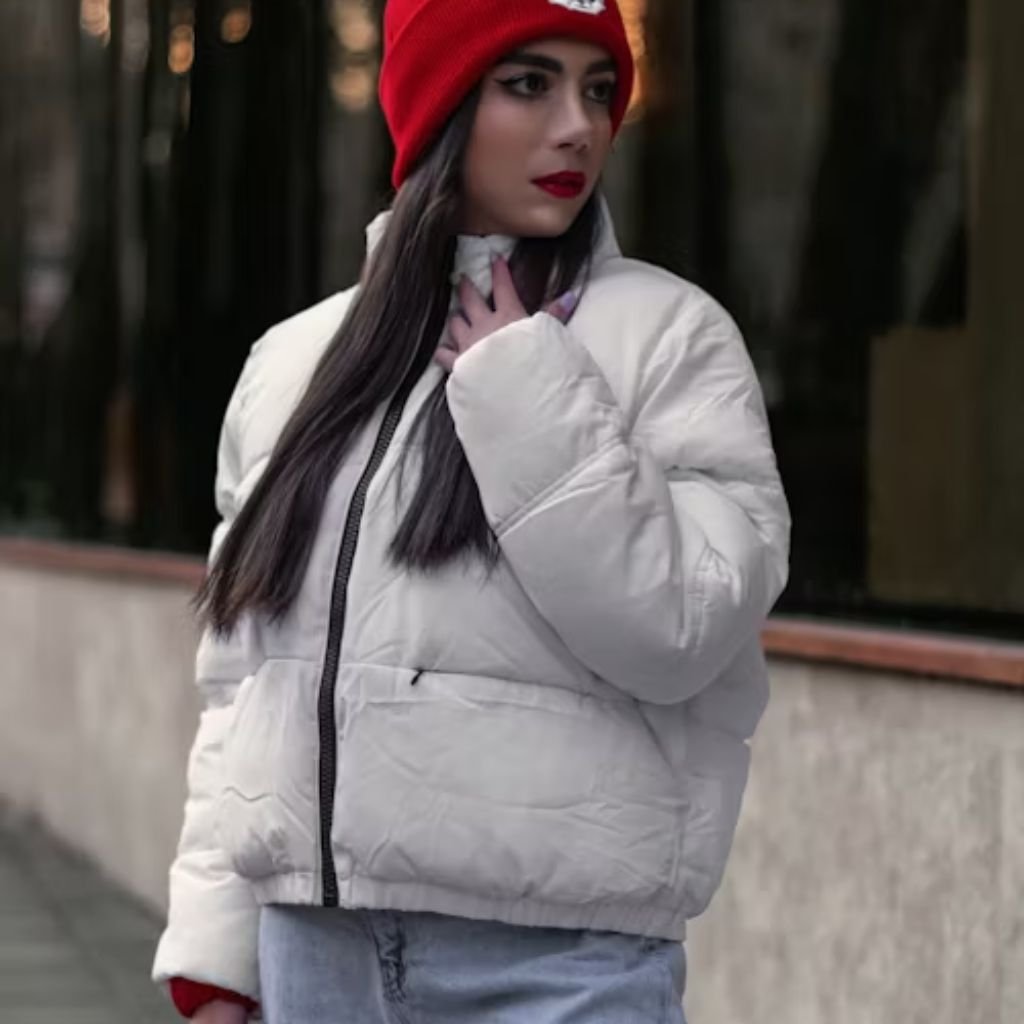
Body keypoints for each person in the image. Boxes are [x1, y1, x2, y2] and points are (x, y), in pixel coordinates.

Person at [152, 0, 790, 1020]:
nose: (577, 125)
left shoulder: (670, 340)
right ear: (440, 104)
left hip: (559, 967)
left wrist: (521, 387)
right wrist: (220, 948)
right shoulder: (294, 365)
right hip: (315, 957)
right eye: (528, 83)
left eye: (596, 90)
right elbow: (245, 689)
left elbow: (682, 628)